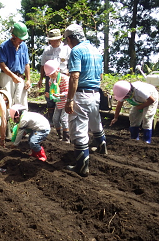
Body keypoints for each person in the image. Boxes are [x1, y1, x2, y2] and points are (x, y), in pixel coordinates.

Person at [63, 24, 107, 177]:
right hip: (95, 93)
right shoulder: (96, 50)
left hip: (81, 94)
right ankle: (102, 147)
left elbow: (74, 76)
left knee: (78, 127)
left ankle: (82, 166)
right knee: (96, 121)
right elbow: (101, 75)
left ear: (70, 38)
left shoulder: (76, 51)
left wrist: (69, 99)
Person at [0, 22, 31, 140]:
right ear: (14, 36)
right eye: (20, 38)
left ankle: (23, 130)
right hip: (7, 76)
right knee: (6, 103)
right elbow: (2, 64)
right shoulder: (4, 46)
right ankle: (6, 132)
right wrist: (12, 76)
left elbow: (27, 64)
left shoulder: (24, 46)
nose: (21, 41)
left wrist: (28, 79)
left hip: (20, 77)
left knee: (22, 103)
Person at [37, 29, 71, 124]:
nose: (52, 42)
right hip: (50, 76)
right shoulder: (47, 50)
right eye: (51, 40)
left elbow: (71, 63)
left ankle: (64, 118)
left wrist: (69, 71)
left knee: (63, 95)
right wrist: (41, 79)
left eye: (54, 40)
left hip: (63, 76)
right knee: (50, 96)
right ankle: (52, 117)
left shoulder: (67, 49)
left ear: (59, 39)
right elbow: (43, 65)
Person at [43, 60, 70, 143]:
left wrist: (60, 95)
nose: (51, 75)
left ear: (58, 70)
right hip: (58, 103)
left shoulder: (64, 78)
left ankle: (67, 137)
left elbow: (68, 92)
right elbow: (52, 93)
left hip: (66, 102)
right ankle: (60, 136)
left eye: (52, 73)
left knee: (63, 119)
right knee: (55, 119)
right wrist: (50, 95)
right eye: (49, 74)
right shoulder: (51, 80)